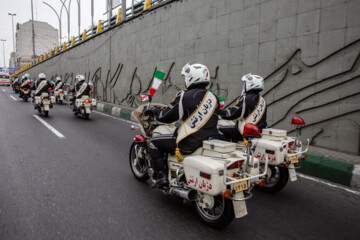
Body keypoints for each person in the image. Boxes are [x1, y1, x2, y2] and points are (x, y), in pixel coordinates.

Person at [144, 62, 221, 188]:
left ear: (191, 78)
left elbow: (166, 117)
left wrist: (154, 111)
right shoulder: (213, 97)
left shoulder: (184, 96)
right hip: (210, 140)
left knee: (154, 142)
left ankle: (161, 177)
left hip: (190, 142)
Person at [219, 73, 267, 142]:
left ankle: (224, 151)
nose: (244, 86)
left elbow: (231, 114)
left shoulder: (245, 98)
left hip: (243, 132)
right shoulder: (262, 100)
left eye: (245, 83)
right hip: (257, 131)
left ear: (250, 84)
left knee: (219, 130)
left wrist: (217, 111)